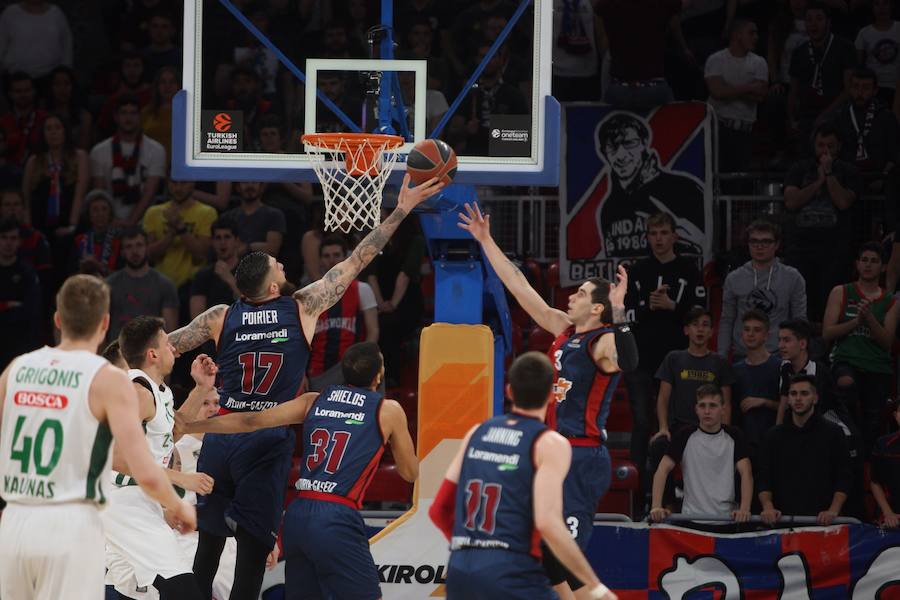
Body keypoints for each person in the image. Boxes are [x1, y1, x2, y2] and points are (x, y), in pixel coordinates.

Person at [167, 174, 444, 600]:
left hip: (224, 434)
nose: (284, 265)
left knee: (205, 552)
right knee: (251, 557)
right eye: (279, 266)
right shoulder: (303, 307)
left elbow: (164, 349)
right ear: (274, 286)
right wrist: (402, 208)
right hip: (265, 436)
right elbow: (359, 259)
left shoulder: (218, 316)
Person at [458, 202, 636, 598]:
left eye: (583, 293)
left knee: (563, 557)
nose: (572, 295)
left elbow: (630, 360)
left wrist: (621, 313)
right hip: (551, 451)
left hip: (581, 455)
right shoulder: (563, 328)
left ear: (597, 308)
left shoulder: (603, 340)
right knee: (542, 554)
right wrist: (486, 241)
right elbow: (520, 287)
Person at [0, 274, 194, 600]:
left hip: (16, 519)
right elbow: (141, 465)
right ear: (105, 324)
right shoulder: (107, 380)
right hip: (70, 523)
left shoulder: (17, 368)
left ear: (58, 320)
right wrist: (178, 503)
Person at [182, 342, 418, 600]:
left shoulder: (312, 401)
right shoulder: (388, 410)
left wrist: (191, 425)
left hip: (297, 514)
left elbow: (252, 420)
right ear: (379, 375)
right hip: (336, 514)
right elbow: (409, 473)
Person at [428, 352, 617, 600]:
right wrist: (596, 587)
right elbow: (548, 523)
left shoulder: (476, 432)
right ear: (552, 396)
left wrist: (471, 548)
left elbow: (438, 510)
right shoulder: (549, 442)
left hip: (461, 567)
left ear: (509, 391)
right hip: (512, 569)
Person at [102, 316, 218, 600]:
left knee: (137, 593)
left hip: (136, 501)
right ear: (152, 354)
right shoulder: (137, 391)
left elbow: (172, 431)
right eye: (168, 344)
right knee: (183, 588)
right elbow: (114, 457)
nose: (174, 349)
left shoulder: (157, 391)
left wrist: (201, 388)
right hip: (123, 500)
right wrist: (181, 478)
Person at [623, 211, 705, 500]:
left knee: (677, 424)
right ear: (647, 237)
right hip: (641, 360)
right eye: (653, 234)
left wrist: (673, 306)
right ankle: (639, 490)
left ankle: (677, 492)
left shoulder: (689, 270)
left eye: (663, 233)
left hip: (678, 360)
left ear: (675, 236)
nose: (658, 239)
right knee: (643, 423)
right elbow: (625, 314)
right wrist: (650, 306)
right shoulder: (637, 270)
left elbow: (700, 314)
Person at [594, 112, 706, 260]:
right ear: (604, 153)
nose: (621, 155)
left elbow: (704, 247)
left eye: (629, 143)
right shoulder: (609, 208)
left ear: (644, 143)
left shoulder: (684, 189)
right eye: (612, 147)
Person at [822, 241, 898, 456]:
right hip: (845, 360)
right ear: (857, 264)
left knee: (873, 422)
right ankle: (848, 452)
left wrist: (870, 319)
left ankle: (868, 468)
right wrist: (856, 322)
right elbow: (827, 333)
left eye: (874, 261)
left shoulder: (891, 301)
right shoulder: (841, 292)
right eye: (864, 260)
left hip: (877, 366)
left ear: (883, 267)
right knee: (846, 385)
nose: (868, 265)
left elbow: (887, 342)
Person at [783, 122, 861, 321]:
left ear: (839, 147)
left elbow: (843, 202)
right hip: (800, 248)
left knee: (830, 307)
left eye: (830, 146)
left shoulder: (848, 171)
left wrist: (828, 174)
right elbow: (791, 202)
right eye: (821, 145)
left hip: (835, 250)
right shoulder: (800, 168)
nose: (825, 150)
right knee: (802, 307)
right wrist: (817, 182)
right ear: (814, 145)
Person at [649, 384, 753, 523]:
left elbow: (746, 472)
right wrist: (656, 506)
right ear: (696, 409)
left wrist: (745, 509)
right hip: (691, 520)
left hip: (727, 520)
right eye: (702, 406)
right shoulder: (684, 435)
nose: (707, 411)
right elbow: (662, 470)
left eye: (713, 406)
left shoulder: (734, 435)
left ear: (723, 409)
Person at [757, 374, 852, 525]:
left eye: (804, 393)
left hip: (822, 523)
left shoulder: (833, 433)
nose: (798, 398)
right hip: (782, 523)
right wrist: (768, 507)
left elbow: (843, 476)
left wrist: (833, 510)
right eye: (793, 394)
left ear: (815, 398)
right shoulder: (773, 436)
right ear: (788, 399)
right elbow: (764, 478)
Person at [717, 219, 807, 359]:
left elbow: (799, 320)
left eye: (766, 242)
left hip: (779, 355)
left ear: (776, 244)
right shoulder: (734, 278)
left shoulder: (793, 277)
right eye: (754, 241)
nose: (759, 246)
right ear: (748, 244)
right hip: (742, 355)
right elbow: (727, 320)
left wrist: (800, 356)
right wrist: (721, 357)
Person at [653, 306, 736, 441]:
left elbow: (725, 404)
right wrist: (663, 428)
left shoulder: (720, 362)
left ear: (711, 332)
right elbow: (663, 399)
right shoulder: (673, 358)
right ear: (686, 330)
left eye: (705, 325)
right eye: (695, 324)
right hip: (679, 428)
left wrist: (723, 434)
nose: (700, 329)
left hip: (711, 429)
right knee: (660, 443)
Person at [308, 235, 379, 391]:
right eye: (326, 256)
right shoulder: (311, 294)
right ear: (320, 260)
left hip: (352, 368)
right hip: (319, 371)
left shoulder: (362, 289)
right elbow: (302, 340)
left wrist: (363, 364)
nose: (331, 260)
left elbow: (373, 332)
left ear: (345, 258)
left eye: (336, 255)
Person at [787, 2, 857, 155]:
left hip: (836, 112)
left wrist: (825, 114)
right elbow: (793, 90)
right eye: (809, 20)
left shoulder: (845, 47)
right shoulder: (799, 52)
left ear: (828, 22)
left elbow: (849, 89)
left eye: (819, 19)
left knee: (827, 126)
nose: (813, 24)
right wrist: (791, 118)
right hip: (807, 113)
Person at [89, 93, 166, 225]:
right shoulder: (98, 151)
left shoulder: (156, 150)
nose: (128, 118)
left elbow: (149, 193)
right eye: (124, 113)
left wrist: (130, 222)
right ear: (116, 117)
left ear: (140, 116)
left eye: (133, 113)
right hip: (109, 222)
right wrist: (112, 221)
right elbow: (100, 194)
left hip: (146, 222)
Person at [704, 18, 769, 172]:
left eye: (757, 33)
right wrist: (749, 87)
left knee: (739, 183)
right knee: (715, 178)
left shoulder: (759, 62)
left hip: (745, 133)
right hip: (718, 129)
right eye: (751, 33)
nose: (756, 37)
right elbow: (717, 92)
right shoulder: (716, 60)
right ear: (737, 35)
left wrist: (728, 89)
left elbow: (760, 96)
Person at [143, 177, 216, 293]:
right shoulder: (153, 212)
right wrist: (171, 233)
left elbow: (202, 253)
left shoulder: (207, 213)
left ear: (192, 183)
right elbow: (148, 254)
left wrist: (180, 227)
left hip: (193, 286)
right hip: (159, 285)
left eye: (183, 182)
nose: (178, 188)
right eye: (174, 183)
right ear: (168, 184)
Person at [106, 226, 178, 341]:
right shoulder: (109, 285)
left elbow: (171, 332)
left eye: (139, 245)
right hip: (117, 352)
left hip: (152, 353)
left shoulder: (164, 285)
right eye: (129, 247)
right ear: (122, 252)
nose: (134, 251)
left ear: (146, 247)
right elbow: (101, 328)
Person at [731, 309, 782, 450]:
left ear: (766, 335)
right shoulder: (735, 370)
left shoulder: (780, 367)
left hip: (773, 444)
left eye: (757, 330)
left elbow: (790, 406)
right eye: (747, 329)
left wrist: (764, 402)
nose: (751, 334)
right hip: (743, 446)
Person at [0, 217, 41, 369]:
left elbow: (30, 312)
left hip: (18, 347)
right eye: (4, 237)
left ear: (19, 242)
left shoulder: (27, 273)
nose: (8, 243)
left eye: (13, 238)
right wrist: (8, 305)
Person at [189, 217, 242, 319]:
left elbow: (254, 308)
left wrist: (230, 280)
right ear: (212, 242)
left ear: (237, 241)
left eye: (227, 237)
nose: (222, 242)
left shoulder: (249, 271)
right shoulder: (203, 276)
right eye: (218, 238)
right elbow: (196, 317)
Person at [223, 181, 286, 257]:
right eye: (245, 182)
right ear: (238, 187)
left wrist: (248, 247)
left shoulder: (274, 215)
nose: (250, 186)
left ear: (262, 187)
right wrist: (258, 246)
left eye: (254, 182)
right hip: (232, 267)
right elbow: (224, 249)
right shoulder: (228, 217)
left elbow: (272, 250)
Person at [871, 400, 900, 528]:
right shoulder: (883, 444)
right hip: (892, 518)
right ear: (896, 416)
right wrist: (888, 513)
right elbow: (875, 481)